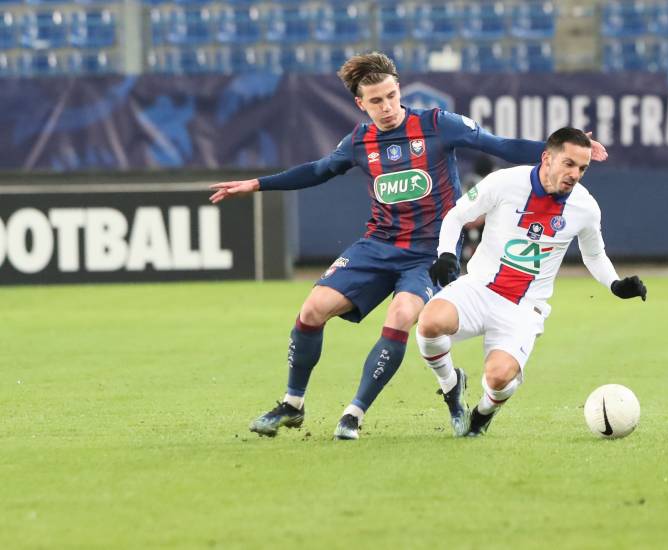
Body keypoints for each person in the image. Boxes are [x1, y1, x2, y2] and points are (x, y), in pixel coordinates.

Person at [209, 52, 608, 440]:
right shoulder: (359, 142)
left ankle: (354, 413)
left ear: (399, 89)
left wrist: (565, 153)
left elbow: (498, 144)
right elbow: (317, 170)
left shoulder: (438, 124)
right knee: (312, 309)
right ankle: (292, 404)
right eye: (376, 101)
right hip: (378, 244)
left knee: (402, 316)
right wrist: (257, 184)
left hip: (428, 254)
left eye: (391, 96)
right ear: (360, 104)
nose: (386, 107)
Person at [415, 128, 646, 437]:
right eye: (569, 164)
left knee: (498, 378)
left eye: (582, 168)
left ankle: (483, 414)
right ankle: (451, 387)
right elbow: (457, 215)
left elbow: (595, 255)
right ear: (546, 158)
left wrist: (615, 284)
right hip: (480, 287)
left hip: (524, 307)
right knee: (429, 323)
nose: (575, 174)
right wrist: (445, 254)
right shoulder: (505, 182)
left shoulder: (585, 207)